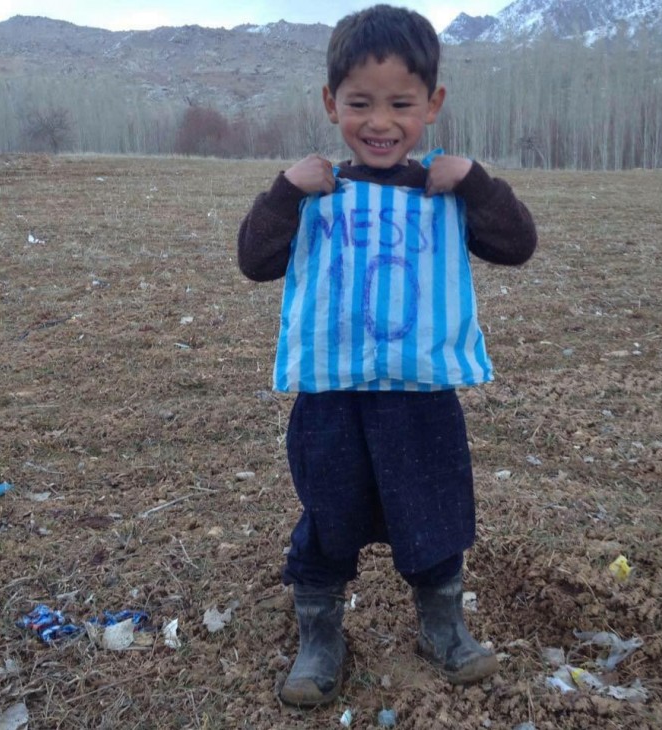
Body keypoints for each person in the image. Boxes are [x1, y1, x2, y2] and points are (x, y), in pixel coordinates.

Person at [237, 3, 537, 707]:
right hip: (331, 395)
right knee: (328, 512)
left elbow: (517, 245)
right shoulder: (315, 190)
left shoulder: (447, 188)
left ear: (431, 105)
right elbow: (255, 260)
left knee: (434, 510)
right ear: (330, 103)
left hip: (422, 396)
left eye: (401, 103)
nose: (380, 121)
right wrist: (283, 191)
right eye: (360, 103)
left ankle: (443, 627)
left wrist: (477, 182)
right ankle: (320, 635)